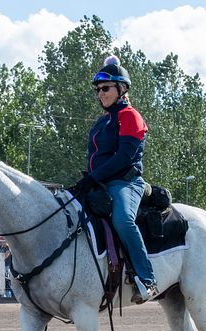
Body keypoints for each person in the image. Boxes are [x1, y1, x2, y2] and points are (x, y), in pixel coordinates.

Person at [70, 55, 155, 303]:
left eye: (105, 88)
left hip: (125, 183)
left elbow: (124, 158)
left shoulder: (130, 116)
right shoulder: (100, 122)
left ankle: (146, 279)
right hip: (100, 183)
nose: (100, 94)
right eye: (98, 90)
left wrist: (94, 177)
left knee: (123, 220)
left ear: (122, 89)